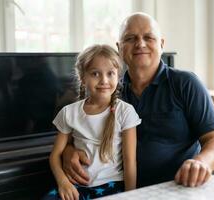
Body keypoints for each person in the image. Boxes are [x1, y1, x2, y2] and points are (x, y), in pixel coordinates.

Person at [62, 12, 214, 189]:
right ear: (119, 47)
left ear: (161, 44)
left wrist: (201, 162)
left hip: (178, 188)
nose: (140, 44)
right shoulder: (106, 91)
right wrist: (68, 152)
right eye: (130, 38)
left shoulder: (186, 83)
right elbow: (75, 134)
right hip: (119, 188)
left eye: (148, 37)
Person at [43, 44, 141, 200]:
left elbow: (130, 162)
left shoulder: (126, 112)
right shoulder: (69, 112)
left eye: (111, 73)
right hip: (77, 187)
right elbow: (55, 156)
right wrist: (63, 182)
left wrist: (131, 196)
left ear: (118, 76)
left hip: (112, 185)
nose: (104, 80)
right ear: (83, 78)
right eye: (95, 74)